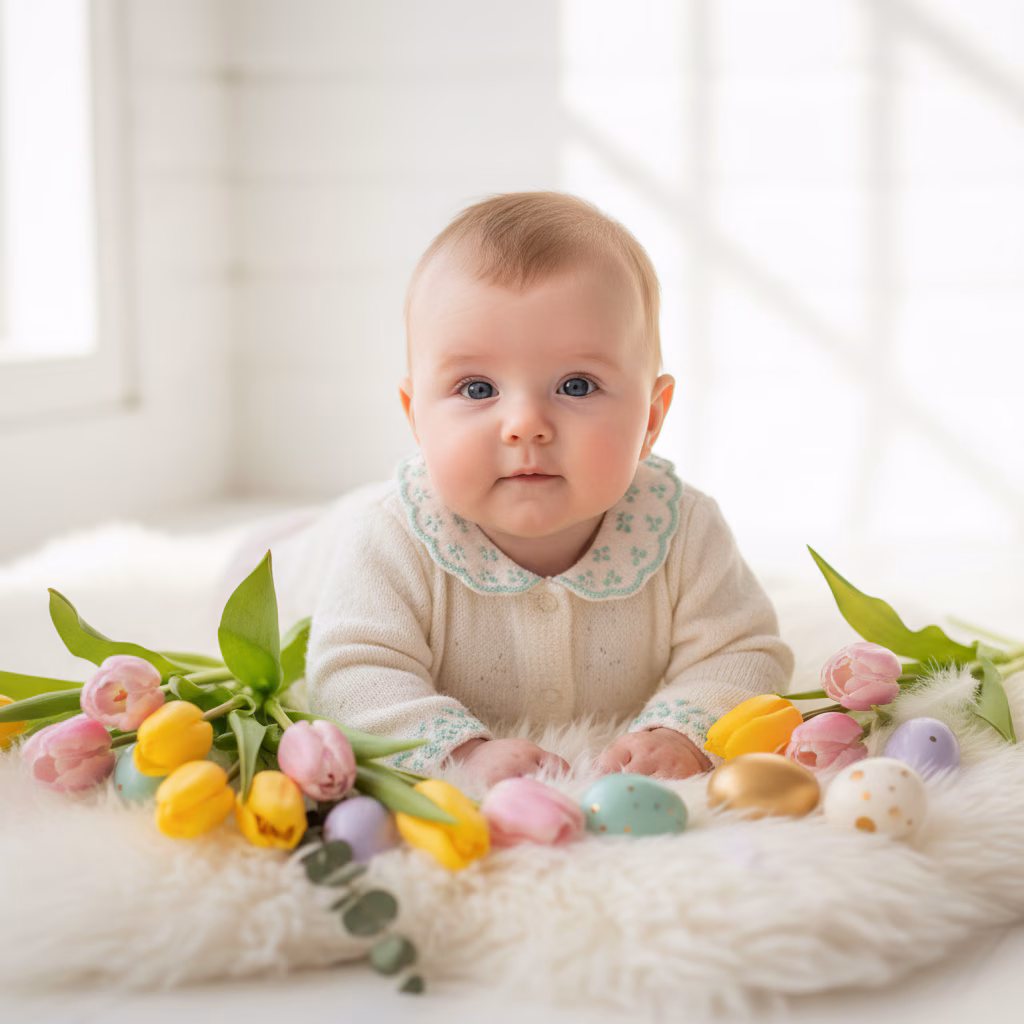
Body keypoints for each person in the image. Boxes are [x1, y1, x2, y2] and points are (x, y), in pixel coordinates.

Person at [298, 191, 793, 788]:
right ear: (416, 418)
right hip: (314, 559)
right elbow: (352, 672)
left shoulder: (682, 528)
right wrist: (462, 752)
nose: (525, 423)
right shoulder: (392, 534)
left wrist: (679, 732)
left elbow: (743, 652)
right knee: (278, 563)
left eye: (577, 385)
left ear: (652, 420)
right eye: (477, 389)